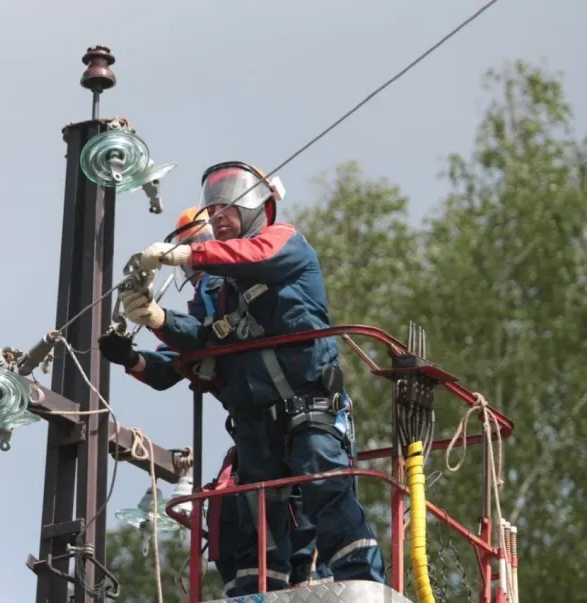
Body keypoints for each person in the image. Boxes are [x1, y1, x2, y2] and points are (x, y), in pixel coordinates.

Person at [117, 162, 385, 596]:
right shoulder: (221, 290)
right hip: (258, 421)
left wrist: (184, 253)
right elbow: (205, 340)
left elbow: (255, 255)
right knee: (260, 517)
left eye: (229, 204)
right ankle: (265, 593)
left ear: (261, 204)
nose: (219, 213)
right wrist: (157, 318)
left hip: (309, 405)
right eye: (213, 206)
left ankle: (362, 586)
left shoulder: (285, 244)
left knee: (326, 487)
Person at [99, 205, 332, 591]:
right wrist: (133, 358)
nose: (194, 264)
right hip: (256, 426)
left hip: (299, 415)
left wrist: (161, 319)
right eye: (187, 250)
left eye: (198, 245)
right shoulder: (207, 302)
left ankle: (310, 582)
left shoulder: (243, 281)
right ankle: (259, 589)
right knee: (246, 512)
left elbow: (207, 337)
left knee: (303, 510)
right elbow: (181, 362)